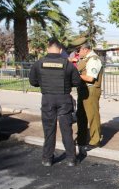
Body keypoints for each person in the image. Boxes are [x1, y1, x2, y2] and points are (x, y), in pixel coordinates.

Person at [29, 38, 81, 167]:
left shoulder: (39, 63)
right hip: (64, 99)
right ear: (61, 50)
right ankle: (71, 159)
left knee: (49, 130)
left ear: (47, 49)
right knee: (66, 130)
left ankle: (47, 159)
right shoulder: (68, 64)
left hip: (47, 99)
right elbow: (77, 82)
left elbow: (33, 82)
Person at [76, 43, 104, 149]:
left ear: (85, 50)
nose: (78, 53)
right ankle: (81, 139)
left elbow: (90, 78)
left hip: (91, 89)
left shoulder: (94, 60)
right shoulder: (86, 59)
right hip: (83, 89)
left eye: (79, 51)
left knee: (92, 116)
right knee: (81, 115)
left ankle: (95, 141)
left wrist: (75, 75)